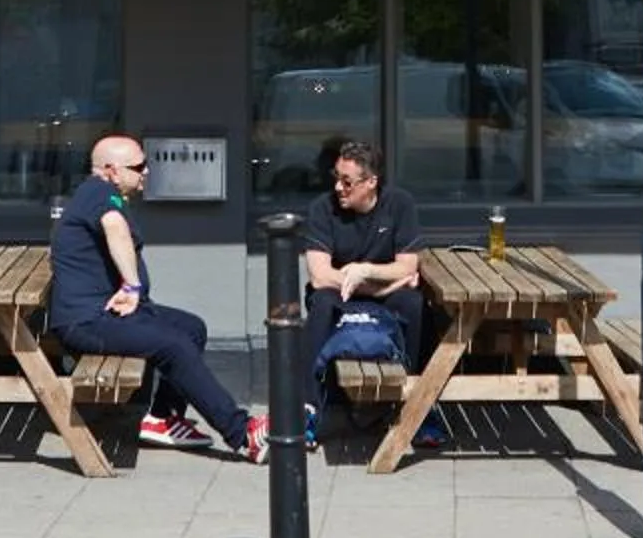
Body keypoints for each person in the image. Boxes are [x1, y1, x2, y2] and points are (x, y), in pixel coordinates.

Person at [48, 134, 266, 461]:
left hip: (108, 313)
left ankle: (163, 419)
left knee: (191, 328)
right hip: (86, 320)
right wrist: (132, 287)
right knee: (174, 346)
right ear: (111, 170)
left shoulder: (105, 195)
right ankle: (242, 432)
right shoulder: (98, 191)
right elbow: (115, 228)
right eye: (138, 166)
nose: (146, 172)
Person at [299, 139, 442, 447]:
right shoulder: (322, 210)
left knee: (416, 304)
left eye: (347, 182)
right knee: (322, 304)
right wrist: (385, 284)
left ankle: (421, 406)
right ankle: (308, 409)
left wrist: (365, 271)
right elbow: (320, 275)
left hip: (371, 288)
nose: (339, 187)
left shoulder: (399, 204)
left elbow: (407, 264)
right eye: (336, 177)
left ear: (371, 182)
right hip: (339, 293)